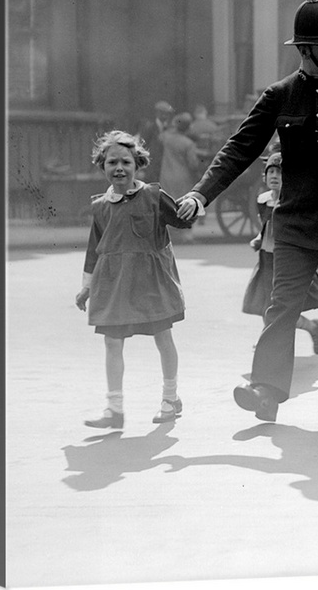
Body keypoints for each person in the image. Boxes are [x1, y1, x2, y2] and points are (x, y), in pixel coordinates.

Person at [176, 0, 318, 423]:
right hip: (297, 222)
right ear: (305, 50)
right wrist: (200, 194)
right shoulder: (279, 97)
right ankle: (266, 389)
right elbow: (239, 149)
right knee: (281, 305)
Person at [75, 130, 194, 429]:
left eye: (126, 162)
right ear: (102, 166)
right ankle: (114, 408)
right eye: (112, 162)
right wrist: (86, 286)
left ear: (137, 163)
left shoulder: (152, 196)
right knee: (112, 343)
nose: (119, 168)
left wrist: (194, 202)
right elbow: (94, 249)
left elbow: (182, 218)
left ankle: (170, 398)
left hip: (150, 283)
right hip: (114, 285)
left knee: (163, 338)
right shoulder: (101, 206)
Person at [243, 152, 318, 354]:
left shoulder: (291, 202)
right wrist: (259, 238)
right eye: (271, 172)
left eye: (279, 173)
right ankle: (309, 327)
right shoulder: (263, 200)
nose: (274, 176)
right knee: (268, 304)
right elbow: (267, 225)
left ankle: (296, 332)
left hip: (287, 258)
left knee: (281, 307)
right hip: (267, 258)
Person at [159, 112, 202, 243]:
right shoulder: (188, 143)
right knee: (185, 205)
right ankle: (185, 235)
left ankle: (170, 234)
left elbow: (160, 136)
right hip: (183, 177)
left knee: (168, 204)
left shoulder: (166, 138)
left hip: (166, 175)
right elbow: (193, 164)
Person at [137, 100, 174, 182]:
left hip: (165, 167)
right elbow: (142, 147)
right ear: (157, 113)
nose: (165, 116)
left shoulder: (170, 128)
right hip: (152, 167)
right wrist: (142, 169)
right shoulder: (149, 128)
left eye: (167, 114)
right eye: (163, 113)